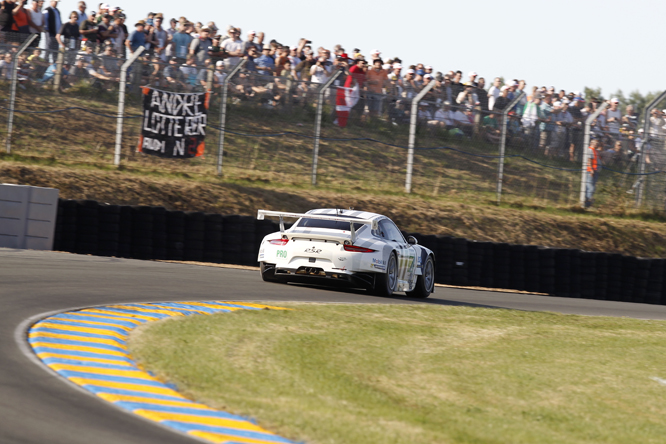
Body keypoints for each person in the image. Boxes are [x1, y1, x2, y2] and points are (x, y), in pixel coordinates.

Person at [585, 138, 602, 208]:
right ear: (592, 143)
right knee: (590, 188)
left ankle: (588, 202)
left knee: (593, 188)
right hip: (590, 171)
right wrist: (591, 169)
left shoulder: (596, 151)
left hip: (596, 171)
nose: (597, 145)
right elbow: (589, 160)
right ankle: (587, 203)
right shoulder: (590, 150)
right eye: (596, 144)